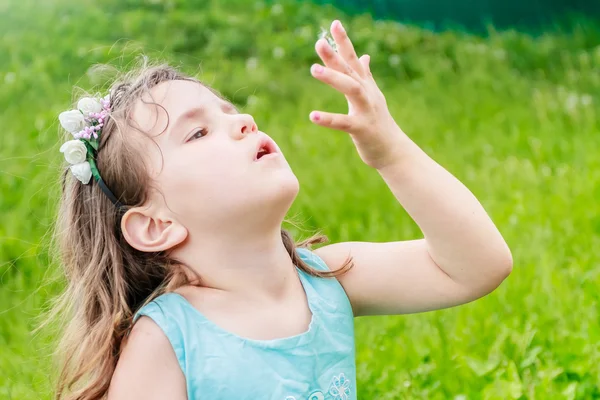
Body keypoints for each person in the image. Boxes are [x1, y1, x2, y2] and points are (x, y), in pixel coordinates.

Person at [52, 20, 512, 400]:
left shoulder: (328, 280)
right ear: (156, 226)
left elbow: (477, 266)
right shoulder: (167, 342)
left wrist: (389, 151)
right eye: (198, 133)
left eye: (229, 111)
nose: (242, 122)